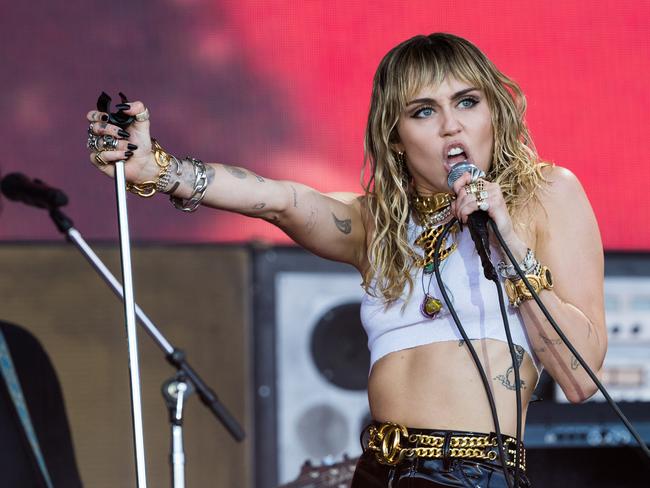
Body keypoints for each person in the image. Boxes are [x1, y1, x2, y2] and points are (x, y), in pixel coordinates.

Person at [85, 33, 606, 487]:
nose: (452, 127)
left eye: (467, 102)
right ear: (398, 139)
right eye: (424, 111)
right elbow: (279, 200)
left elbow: (582, 379)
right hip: (378, 470)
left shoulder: (544, 195)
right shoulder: (376, 224)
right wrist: (157, 168)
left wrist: (509, 244)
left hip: (472, 472)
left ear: (494, 110)